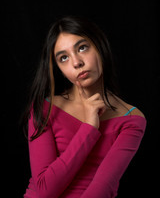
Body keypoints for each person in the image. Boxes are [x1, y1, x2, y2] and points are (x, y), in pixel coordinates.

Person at [23, 16, 146, 198]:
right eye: (64, 58)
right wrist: (89, 127)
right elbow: (44, 190)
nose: (76, 62)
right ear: (60, 69)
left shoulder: (131, 119)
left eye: (82, 48)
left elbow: (102, 189)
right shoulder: (44, 108)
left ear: (100, 46)